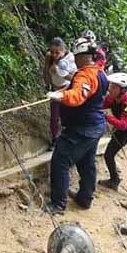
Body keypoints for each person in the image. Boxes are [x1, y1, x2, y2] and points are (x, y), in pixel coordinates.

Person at [45, 38, 109, 213]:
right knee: (86, 162)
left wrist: (61, 97)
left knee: (60, 160)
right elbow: (85, 91)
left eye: (77, 56)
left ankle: (58, 204)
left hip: (82, 128)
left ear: (83, 56)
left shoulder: (85, 74)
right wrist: (61, 92)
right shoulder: (100, 73)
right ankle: (85, 198)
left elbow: (79, 94)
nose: (74, 59)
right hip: (95, 126)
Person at [43, 37, 77, 149]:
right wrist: (47, 64)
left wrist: (59, 70)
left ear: (63, 50)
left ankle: (69, 138)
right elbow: (46, 78)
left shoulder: (70, 58)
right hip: (54, 91)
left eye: (57, 52)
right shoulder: (50, 58)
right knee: (54, 116)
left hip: (67, 90)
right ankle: (54, 139)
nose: (54, 55)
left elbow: (74, 78)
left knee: (68, 115)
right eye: (52, 52)